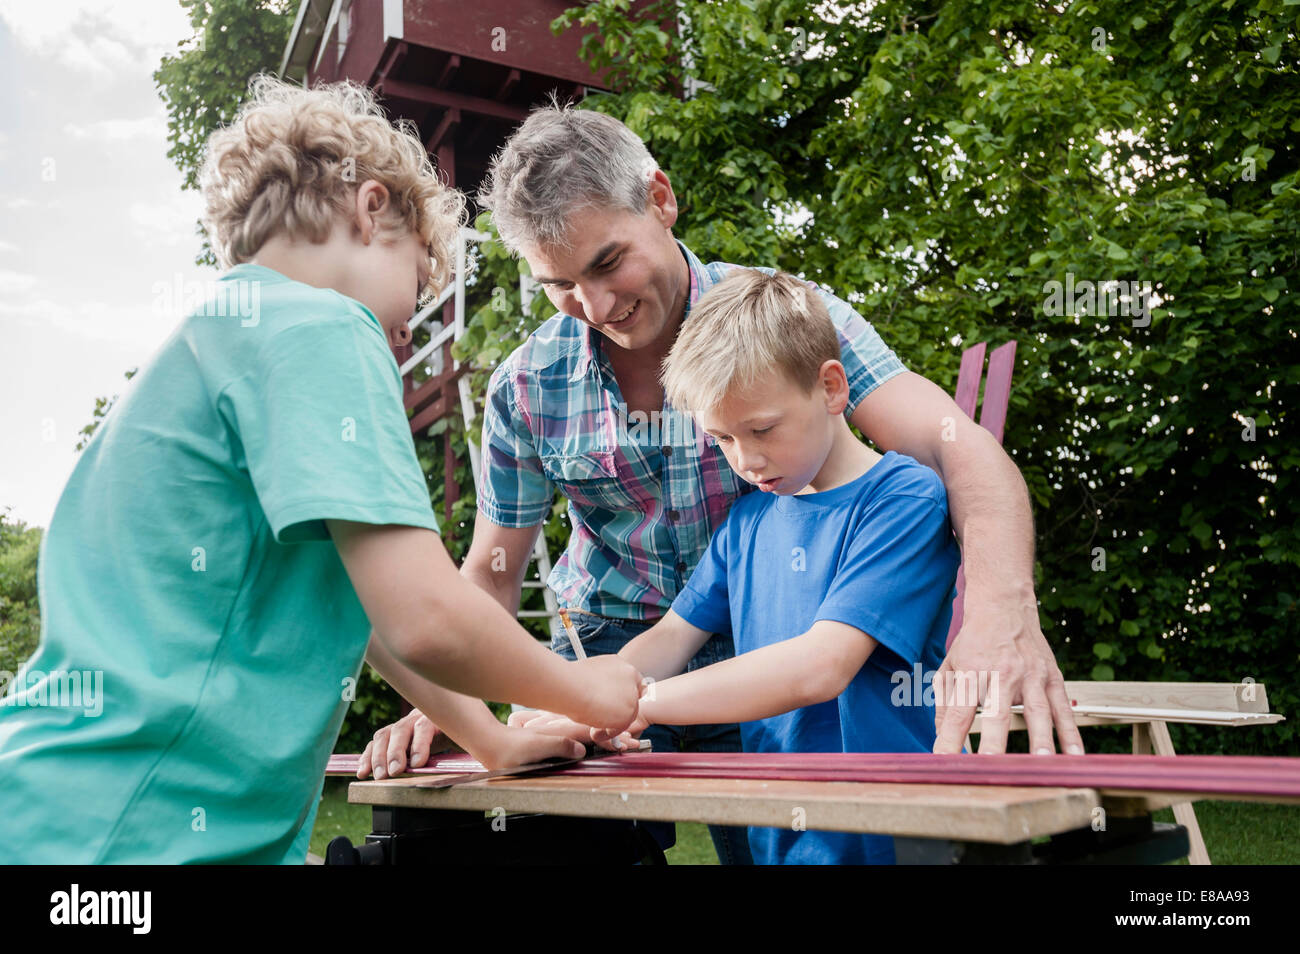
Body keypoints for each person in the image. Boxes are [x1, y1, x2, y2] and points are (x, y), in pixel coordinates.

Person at [360, 103, 1084, 864]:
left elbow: (956, 449)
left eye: (608, 263)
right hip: (612, 652)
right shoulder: (526, 386)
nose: (597, 308)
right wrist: (449, 701)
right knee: (543, 840)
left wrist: (1003, 607)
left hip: (776, 644)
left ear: (661, 199)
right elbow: (493, 568)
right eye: (561, 285)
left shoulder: (787, 321)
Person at [0, 77, 641, 865]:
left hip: (66, 809)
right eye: (418, 275)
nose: (409, 327)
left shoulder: (220, 335)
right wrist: (590, 692)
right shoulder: (321, 325)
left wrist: (486, 738)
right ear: (371, 210)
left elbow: (374, 613)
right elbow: (428, 618)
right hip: (133, 830)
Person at [522, 267, 962, 864]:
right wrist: (574, 706)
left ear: (832, 388)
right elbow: (671, 638)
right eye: (723, 439)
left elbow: (820, 666)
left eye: (762, 429)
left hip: (886, 831)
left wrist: (637, 704)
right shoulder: (749, 523)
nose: (747, 459)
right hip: (776, 828)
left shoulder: (903, 499)